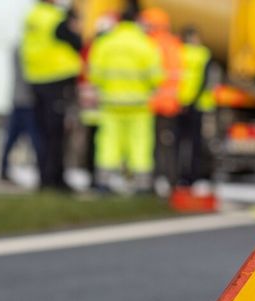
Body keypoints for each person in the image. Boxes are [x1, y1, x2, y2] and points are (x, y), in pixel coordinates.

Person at [89, 4, 163, 193]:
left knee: (108, 143)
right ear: (137, 20)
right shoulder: (145, 43)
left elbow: (94, 74)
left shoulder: (106, 42)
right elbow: (156, 76)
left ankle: (103, 183)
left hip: (111, 103)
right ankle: (142, 186)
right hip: (138, 105)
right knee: (140, 144)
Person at [20, 0, 83, 192]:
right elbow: (77, 43)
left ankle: (44, 178)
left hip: (36, 79)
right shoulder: (56, 18)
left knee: (43, 132)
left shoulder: (32, 16)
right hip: (57, 79)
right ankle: (56, 179)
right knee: (57, 133)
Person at [141, 7, 184, 193]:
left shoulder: (149, 44)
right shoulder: (173, 43)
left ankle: (153, 182)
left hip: (152, 104)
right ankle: (171, 181)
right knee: (168, 145)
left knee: (152, 146)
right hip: (170, 104)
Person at [78, 14, 116, 190]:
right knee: (102, 139)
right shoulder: (106, 45)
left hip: (90, 99)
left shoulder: (89, 45)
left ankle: (93, 175)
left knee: (93, 138)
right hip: (102, 100)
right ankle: (97, 176)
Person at [175, 25, 216, 188]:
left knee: (180, 143)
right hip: (197, 104)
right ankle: (193, 175)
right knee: (195, 143)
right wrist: (194, 100)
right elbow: (205, 80)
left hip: (180, 103)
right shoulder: (203, 54)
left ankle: (180, 176)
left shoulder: (179, 52)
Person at [0, 42, 44, 184]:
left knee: (11, 139)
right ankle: (43, 172)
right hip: (28, 102)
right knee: (36, 140)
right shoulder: (29, 49)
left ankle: (3, 170)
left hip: (18, 100)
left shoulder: (19, 48)